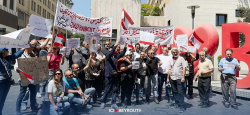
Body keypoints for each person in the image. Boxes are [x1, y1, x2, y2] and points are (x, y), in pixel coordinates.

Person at [100, 40, 126, 109]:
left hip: (114, 75)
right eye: (111, 48)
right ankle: (103, 102)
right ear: (109, 50)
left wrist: (125, 46)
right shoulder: (107, 56)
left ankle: (113, 103)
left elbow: (122, 53)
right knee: (107, 89)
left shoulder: (116, 57)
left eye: (112, 48)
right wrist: (115, 45)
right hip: (108, 76)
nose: (112, 49)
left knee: (115, 90)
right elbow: (111, 52)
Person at [15, 46, 39, 115]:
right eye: (31, 47)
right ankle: (17, 110)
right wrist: (18, 69)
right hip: (24, 78)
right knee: (22, 94)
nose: (32, 49)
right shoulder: (20, 56)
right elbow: (16, 66)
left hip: (32, 78)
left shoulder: (32, 55)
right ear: (26, 48)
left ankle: (33, 107)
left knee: (33, 93)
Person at [0, 48, 25, 115]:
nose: (8, 51)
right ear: (3, 51)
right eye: (7, 50)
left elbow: (16, 55)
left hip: (7, 81)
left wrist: (22, 49)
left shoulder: (8, 58)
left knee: (3, 99)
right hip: (1, 82)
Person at [167, 48, 186, 113]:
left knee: (180, 92)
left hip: (179, 78)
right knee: (174, 91)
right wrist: (167, 78)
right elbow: (169, 69)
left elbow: (184, 68)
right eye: (173, 52)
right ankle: (177, 103)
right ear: (171, 53)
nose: (175, 53)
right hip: (172, 77)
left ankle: (182, 106)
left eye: (176, 52)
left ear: (177, 52)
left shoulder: (181, 59)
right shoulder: (170, 59)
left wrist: (183, 77)